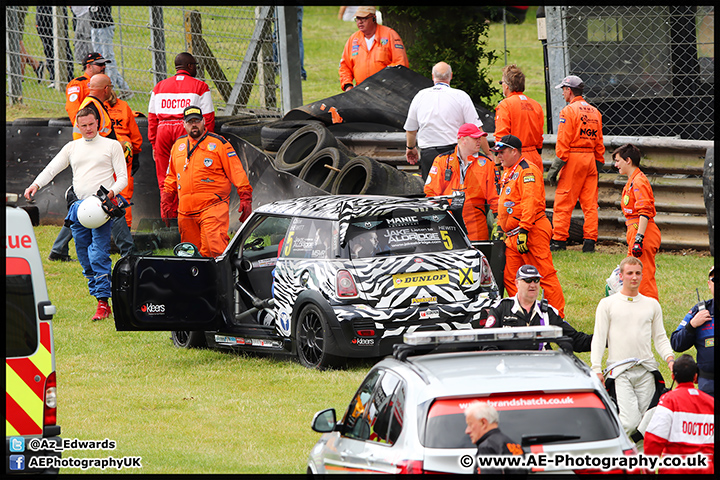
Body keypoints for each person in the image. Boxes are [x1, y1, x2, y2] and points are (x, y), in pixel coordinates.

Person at [24, 107, 127, 321]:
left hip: (101, 207)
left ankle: (102, 302)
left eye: (91, 124)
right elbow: (53, 168)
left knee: (99, 253)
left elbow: (122, 179)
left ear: (98, 123)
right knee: (83, 254)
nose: (88, 129)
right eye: (83, 125)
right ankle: (99, 292)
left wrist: (111, 193)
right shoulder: (72, 147)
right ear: (77, 126)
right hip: (79, 208)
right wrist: (35, 184)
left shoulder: (112, 145)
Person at [591, 256, 674, 439]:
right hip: (620, 371)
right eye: (629, 273)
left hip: (646, 370)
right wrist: (596, 368)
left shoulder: (652, 304)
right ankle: (614, 451)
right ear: (621, 276)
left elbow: (660, 337)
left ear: (642, 275)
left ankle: (640, 465)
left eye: (637, 273)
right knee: (628, 422)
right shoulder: (607, 304)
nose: (634, 277)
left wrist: (670, 359)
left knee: (646, 425)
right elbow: (599, 338)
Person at [164, 106, 253, 258]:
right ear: (184, 124)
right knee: (188, 254)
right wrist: (166, 199)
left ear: (204, 121)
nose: (194, 125)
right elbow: (171, 176)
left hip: (212, 207)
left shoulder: (219, 143)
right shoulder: (177, 146)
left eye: (197, 121)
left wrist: (245, 195)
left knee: (214, 249)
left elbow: (236, 170)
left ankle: (220, 281)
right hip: (186, 212)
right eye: (190, 122)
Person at [493, 134, 565, 317]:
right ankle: (523, 314)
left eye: (502, 152)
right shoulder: (508, 171)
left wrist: (524, 229)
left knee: (544, 275)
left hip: (531, 231)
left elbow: (529, 202)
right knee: (512, 277)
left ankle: (557, 317)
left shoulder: (527, 171)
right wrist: (500, 226)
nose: (498, 156)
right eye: (497, 153)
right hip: (513, 235)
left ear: (513, 151)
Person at [72, 73, 135, 256]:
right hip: (95, 163)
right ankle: (128, 252)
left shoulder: (92, 105)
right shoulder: (92, 107)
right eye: (110, 87)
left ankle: (58, 248)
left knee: (87, 206)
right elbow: (94, 138)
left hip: (93, 160)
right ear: (106, 89)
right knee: (110, 205)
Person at [148, 52, 215, 223]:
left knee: (164, 179)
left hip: (163, 130)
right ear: (190, 66)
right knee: (189, 177)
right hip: (186, 129)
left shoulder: (159, 87)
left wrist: (154, 144)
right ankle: (189, 221)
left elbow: (152, 118)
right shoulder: (200, 86)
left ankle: (168, 223)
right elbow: (207, 118)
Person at [546, 75, 605, 253]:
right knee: (590, 205)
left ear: (569, 91)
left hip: (573, 159)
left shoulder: (568, 112)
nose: (563, 93)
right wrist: (597, 165)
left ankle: (559, 241)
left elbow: (563, 143)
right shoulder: (595, 112)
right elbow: (600, 144)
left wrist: (554, 169)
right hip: (591, 160)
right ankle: (589, 243)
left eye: (563, 90)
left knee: (564, 202)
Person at [405, 62, 490, 180]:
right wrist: (488, 153)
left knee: (432, 193)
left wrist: (410, 148)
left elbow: (411, 130)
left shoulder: (420, 96)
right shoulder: (460, 96)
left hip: (429, 154)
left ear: (432, 76)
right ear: (451, 76)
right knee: (454, 191)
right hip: (454, 153)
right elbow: (477, 128)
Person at [484, 264, 592, 353]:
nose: (533, 285)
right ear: (516, 283)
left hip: (540, 369)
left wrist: (605, 339)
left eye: (536, 280)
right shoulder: (501, 308)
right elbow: (487, 342)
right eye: (528, 280)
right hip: (509, 369)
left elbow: (576, 340)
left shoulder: (546, 312)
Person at [424, 123, 498, 241]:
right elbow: (431, 194)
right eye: (475, 138)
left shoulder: (487, 164)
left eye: (480, 138)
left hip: (476, 227)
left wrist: (498, 224)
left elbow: (495, 199)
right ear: (463, 139)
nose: (479, 141)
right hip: (447, 225)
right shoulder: (442, 161)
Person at [644, 354, 714, 475]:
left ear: (672, 376)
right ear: (695, 377)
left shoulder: (669, 401)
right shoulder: (711, 403)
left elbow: (653, 439)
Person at [612, 143, 661, 300]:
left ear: (628, 160)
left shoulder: (639, 181)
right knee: (631, 274)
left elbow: (644, 211)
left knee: (643, 277)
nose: (615, 164)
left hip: (642, 232)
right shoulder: (631, 181)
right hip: (635, 231)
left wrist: (639, 238)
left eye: (618, 160)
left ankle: (650, 314)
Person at [338, 6, 408, 92]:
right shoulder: (353, 39)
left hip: (386, 91)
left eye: (364, 19)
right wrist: (348, 87)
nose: (360, 22)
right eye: (358, 19)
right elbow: (344, 67)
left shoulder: (390, 35)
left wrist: (387, 84)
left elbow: (401, 64)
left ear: (374, 18)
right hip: (360, 91)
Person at [671, 266, 714, 396]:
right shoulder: (700, 310)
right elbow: (676, 343)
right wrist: (692, 325)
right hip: (708, 386)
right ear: (709, 284)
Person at [105, 85, 143, 230]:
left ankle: (105, 226)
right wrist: (137, 153)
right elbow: (135, 135)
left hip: (106, 146)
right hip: (125, 148)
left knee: (104, 189)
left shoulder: (97, 106)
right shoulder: (124, 106)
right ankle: (125, 229)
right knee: (124, 191)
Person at [494, 64, 544, 171]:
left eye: (501, 83)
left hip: (515, 158)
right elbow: (540, 136)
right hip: (534, 157)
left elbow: (501, 136)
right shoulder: (535, 105)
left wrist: (497, 164)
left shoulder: (505, 105)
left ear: (506, 85)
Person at [464, 401, 524, 475]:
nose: (467, 431)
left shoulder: (487, 447)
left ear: (483, 423)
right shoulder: (514, 445)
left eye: (470, 424)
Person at [89, 5, 131, 98]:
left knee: (108, 59)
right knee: (98, 60)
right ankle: (124, 88)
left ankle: (111, 90)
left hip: (105, 26)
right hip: (93, 25)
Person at [36, 5, 74, 87]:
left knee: (62, 43)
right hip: (42, 11)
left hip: (57, 10)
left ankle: (68, 77)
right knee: (47, 46)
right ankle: (54, 78)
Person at [65, 52, 110, 123]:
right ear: (89, 66)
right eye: (100, 64)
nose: (104, 67)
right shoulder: (77, 84)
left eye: (104, 64)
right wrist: (81, 126)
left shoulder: (105, 82)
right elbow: (73, 108)